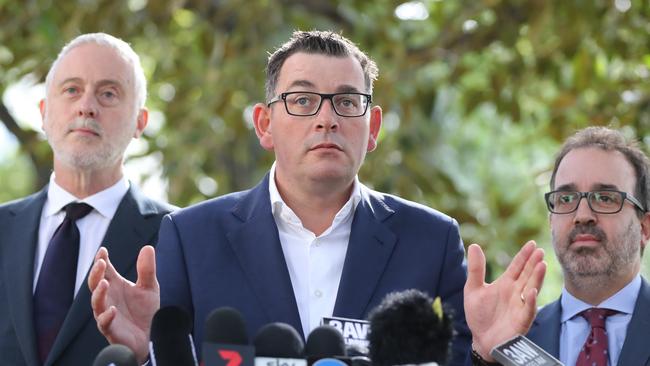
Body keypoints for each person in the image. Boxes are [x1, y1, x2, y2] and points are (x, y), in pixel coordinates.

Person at [89, 30, 473, 364]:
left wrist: (490, 352)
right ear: (264, 124)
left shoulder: (431, 241)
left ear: (372, 128)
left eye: (347, 101)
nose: (327, 119)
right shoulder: (192, 238)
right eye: (303, 101)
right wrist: (145, 354)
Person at [0, 33, 174, 366]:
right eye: (71, 90)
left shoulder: (182, 236)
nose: (86, 106)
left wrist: (147, 356)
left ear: (140, 122)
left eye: (108, 93)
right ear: (43, 112)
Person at [465, 126, 650, 366]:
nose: (582, 215)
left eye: (605, 198)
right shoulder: (512, 338)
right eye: (566, 199)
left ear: (644, 228)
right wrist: (485, 356)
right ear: (551, 221)